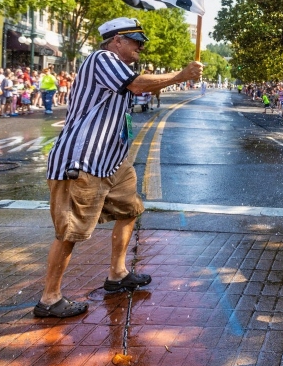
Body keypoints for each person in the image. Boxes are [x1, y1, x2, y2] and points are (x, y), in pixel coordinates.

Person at [36, 17, 202, 318]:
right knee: (70, 231)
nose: (140, 46)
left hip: (113, 160)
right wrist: (181, 75)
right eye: (135, 40)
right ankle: (49, 299)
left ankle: (117, 274)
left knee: (131, 210)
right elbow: (137, 85)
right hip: (83, 160)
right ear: (116, 41)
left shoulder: (120, 67)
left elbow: (138, 87)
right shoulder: (103, 59)